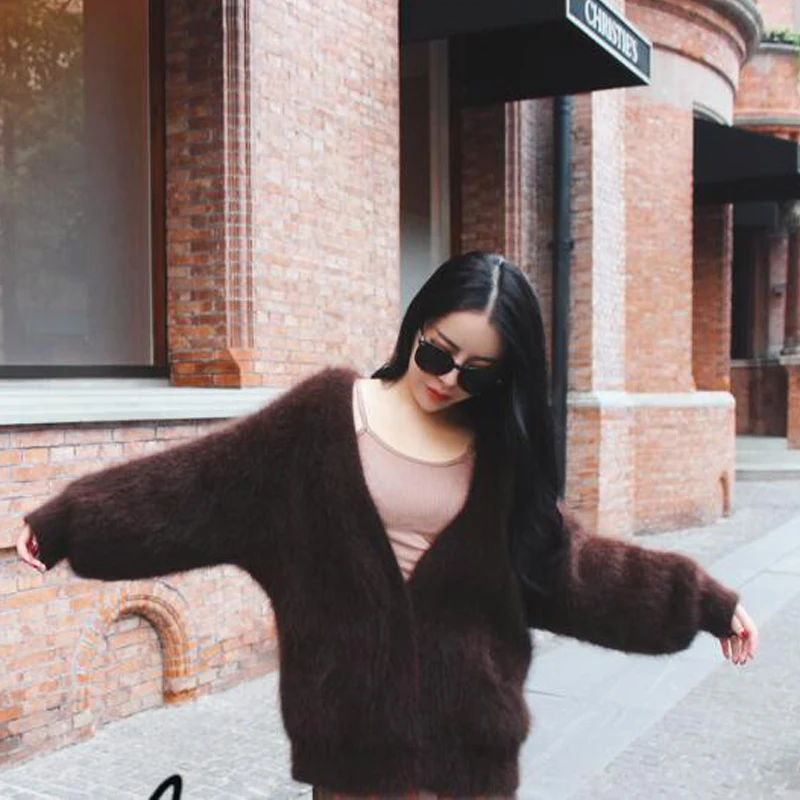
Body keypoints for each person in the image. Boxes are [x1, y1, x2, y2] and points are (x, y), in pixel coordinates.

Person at [16, 251, 757, 799]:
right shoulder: (323, 420)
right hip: (354, 749)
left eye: (478, 371)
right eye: (438, 351)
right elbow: (194, 487)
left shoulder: (498, 456)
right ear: (416, 324)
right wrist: (68, 522)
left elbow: (574, 569)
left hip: (471, 752)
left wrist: (704, 603)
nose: (448, 378)